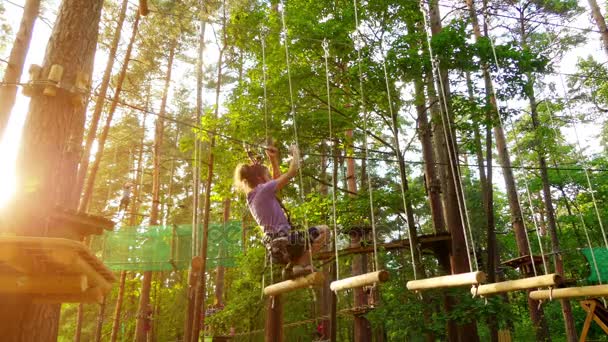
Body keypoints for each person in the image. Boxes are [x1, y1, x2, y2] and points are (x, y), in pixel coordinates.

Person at [234, 142, 328, 277]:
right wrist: (295, 152)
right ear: (261, 179)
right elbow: (292, 171)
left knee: (306, 236)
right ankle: (301, 264)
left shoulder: (252, 196)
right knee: (324, 230)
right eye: (268, 176)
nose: (271, 179)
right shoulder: (264, 190)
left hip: (277, 250)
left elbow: (275, 180)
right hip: (288, 244)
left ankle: (293, 266)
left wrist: (273, 160)